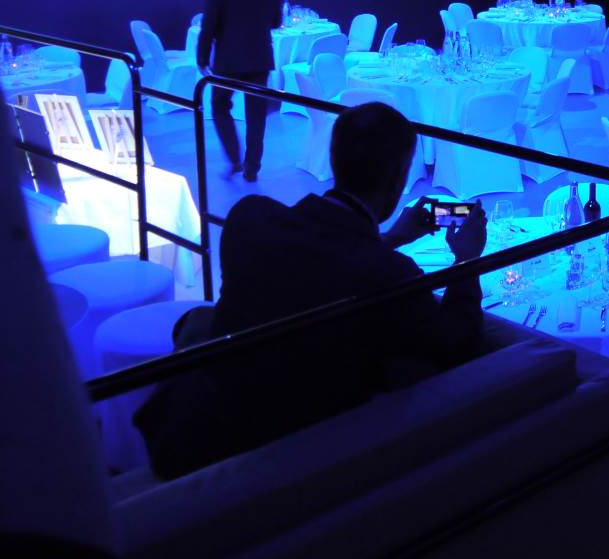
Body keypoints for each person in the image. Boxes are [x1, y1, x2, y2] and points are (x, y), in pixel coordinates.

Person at [134, 102, 487, 479]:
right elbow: (457, 344)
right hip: (289, 449)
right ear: (398, 179)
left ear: (334, 158)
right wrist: (466, 262)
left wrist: (389, 238)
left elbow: (318, 261)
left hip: (207, 415)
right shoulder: (390, 275)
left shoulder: (250, 219)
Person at [196, 0, 282, 182]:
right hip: (259, 59)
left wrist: (202, 58)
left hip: (228, 62)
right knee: (256, 115)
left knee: (220, 106)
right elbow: (276, 23)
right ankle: (252, 168)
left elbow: (208, 27)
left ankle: (234, 159)